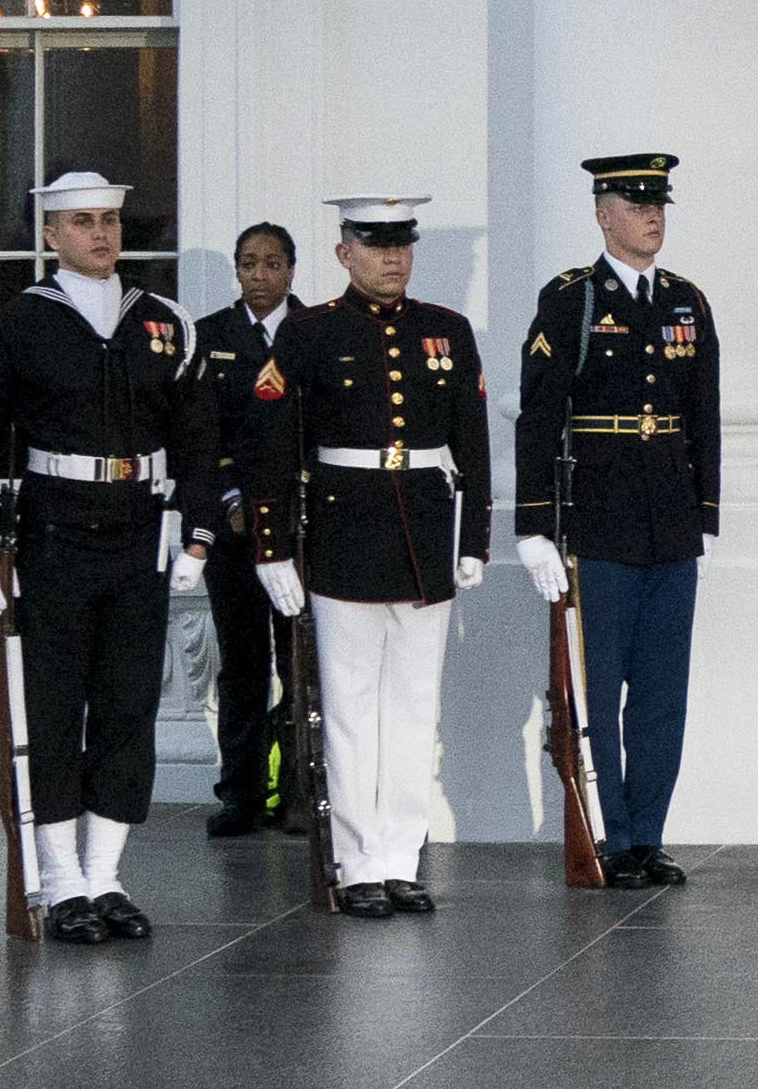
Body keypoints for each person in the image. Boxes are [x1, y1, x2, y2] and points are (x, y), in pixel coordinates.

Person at [0, 166, 200, 944]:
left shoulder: (164, 321)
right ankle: (59, 878)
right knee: (54, 707)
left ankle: (107, 875)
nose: (100, 235)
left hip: (139, 529)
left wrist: (195, 532)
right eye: (81, 223)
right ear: (50, 234)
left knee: (126, 706)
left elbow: (197, 437)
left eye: (109, 221)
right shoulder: (13, 325)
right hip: (53, 529)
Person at [239, 192, 489, 913]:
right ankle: (355, 863)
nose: (392, 259)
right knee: (349, 711)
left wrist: (472, 538)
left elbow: (469, 440)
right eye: (376, 246)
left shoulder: (447, 330)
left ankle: (401, 856)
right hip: (344, 534)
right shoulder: (311, 333)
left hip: (426, 539)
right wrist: (271, 548)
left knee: (414, 709)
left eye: (402, 245)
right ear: (345, 252)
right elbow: (271, 446)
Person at [511, 153, 722, 891]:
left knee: (662, 691)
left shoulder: (686, 301)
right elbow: (539, 414)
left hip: (668, 521)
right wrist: (534, 523)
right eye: (636, 205)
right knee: (597, 690)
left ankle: (650, 836)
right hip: (597, 520)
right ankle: (610, 833)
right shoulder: (571, 298)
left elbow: (703, 414)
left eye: (659, 203)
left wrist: (704, 512)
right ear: (603, 215)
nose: (653, 216)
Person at [186, 222, 308, 840]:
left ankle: (296, 794)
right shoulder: (209, 337)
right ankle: (240, 794)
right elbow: (200, 437)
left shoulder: (314, 331)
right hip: (234, 534)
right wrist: (231, 499)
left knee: (300, 663)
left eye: (271, 264)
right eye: (248, 264)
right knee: (242, 664)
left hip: (299, 530)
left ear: (292, 268)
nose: (259, 276)